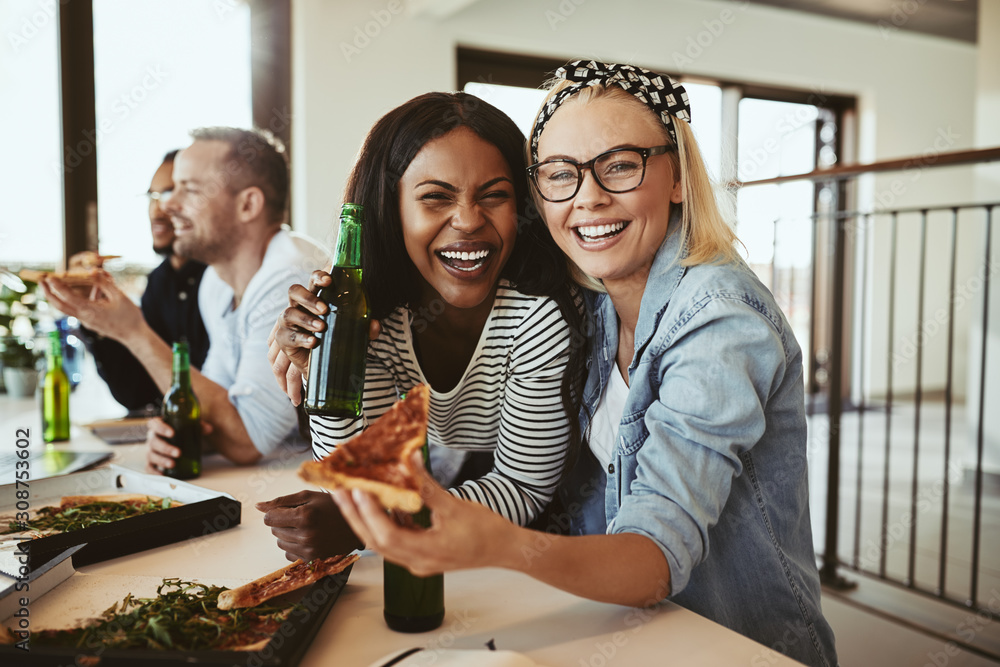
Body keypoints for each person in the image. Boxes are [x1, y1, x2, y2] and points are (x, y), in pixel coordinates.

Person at [329, 62, 839, 667]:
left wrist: (499, 543)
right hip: (623, 627)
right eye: (560, 174)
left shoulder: (719, 322)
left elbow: (654, 555)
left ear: (676, 176)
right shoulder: (590, 296)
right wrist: (326, 347)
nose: (589, 197)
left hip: (732, 642)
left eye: (620, 164)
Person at [260, 92, 586, 561]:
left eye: (495, 195)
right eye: (436, 197)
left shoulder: (537, 315)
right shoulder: (370, 313)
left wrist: (368, 526)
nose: (469, 221)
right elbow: (360, 473)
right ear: (389, 209)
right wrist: (325, 374)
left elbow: (523, 488)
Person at [43, 127, 327, 469]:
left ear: (248, 204)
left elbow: (250, 437)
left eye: (188, 190)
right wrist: (182, 433)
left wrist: (132, 330)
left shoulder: (290, 278)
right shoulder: (216, 283)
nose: (167, 204)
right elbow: (216, 403)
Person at [74, 150, 209, 413]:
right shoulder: (158, 282)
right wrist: (97, 314)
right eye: (152, 196)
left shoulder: (223, 279)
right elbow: (138, 394)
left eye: (169, 194)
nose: (157, 210)